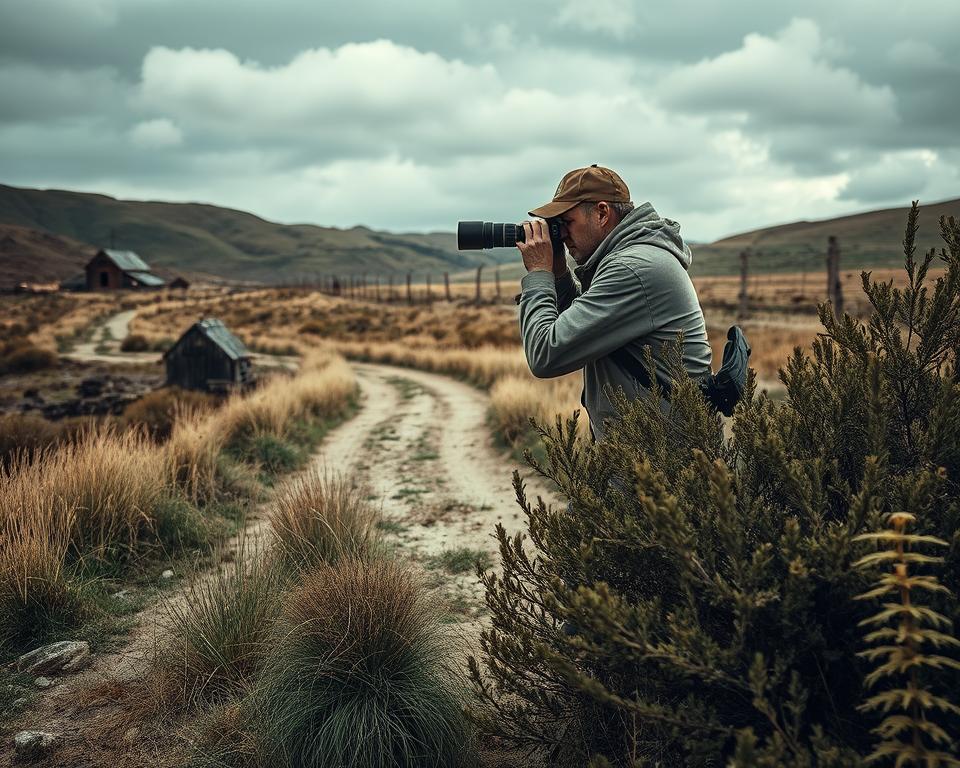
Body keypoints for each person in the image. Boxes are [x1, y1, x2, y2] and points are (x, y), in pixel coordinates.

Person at [517, 164, 712, 440]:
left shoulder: (632, 268)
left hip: (662, 464)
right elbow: (583, 326)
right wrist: (559, 273)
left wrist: (539, 274)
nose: (561, 234)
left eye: (566, 222)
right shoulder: (634, 258)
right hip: (654, 453)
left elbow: (545, 354)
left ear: (602, 213)